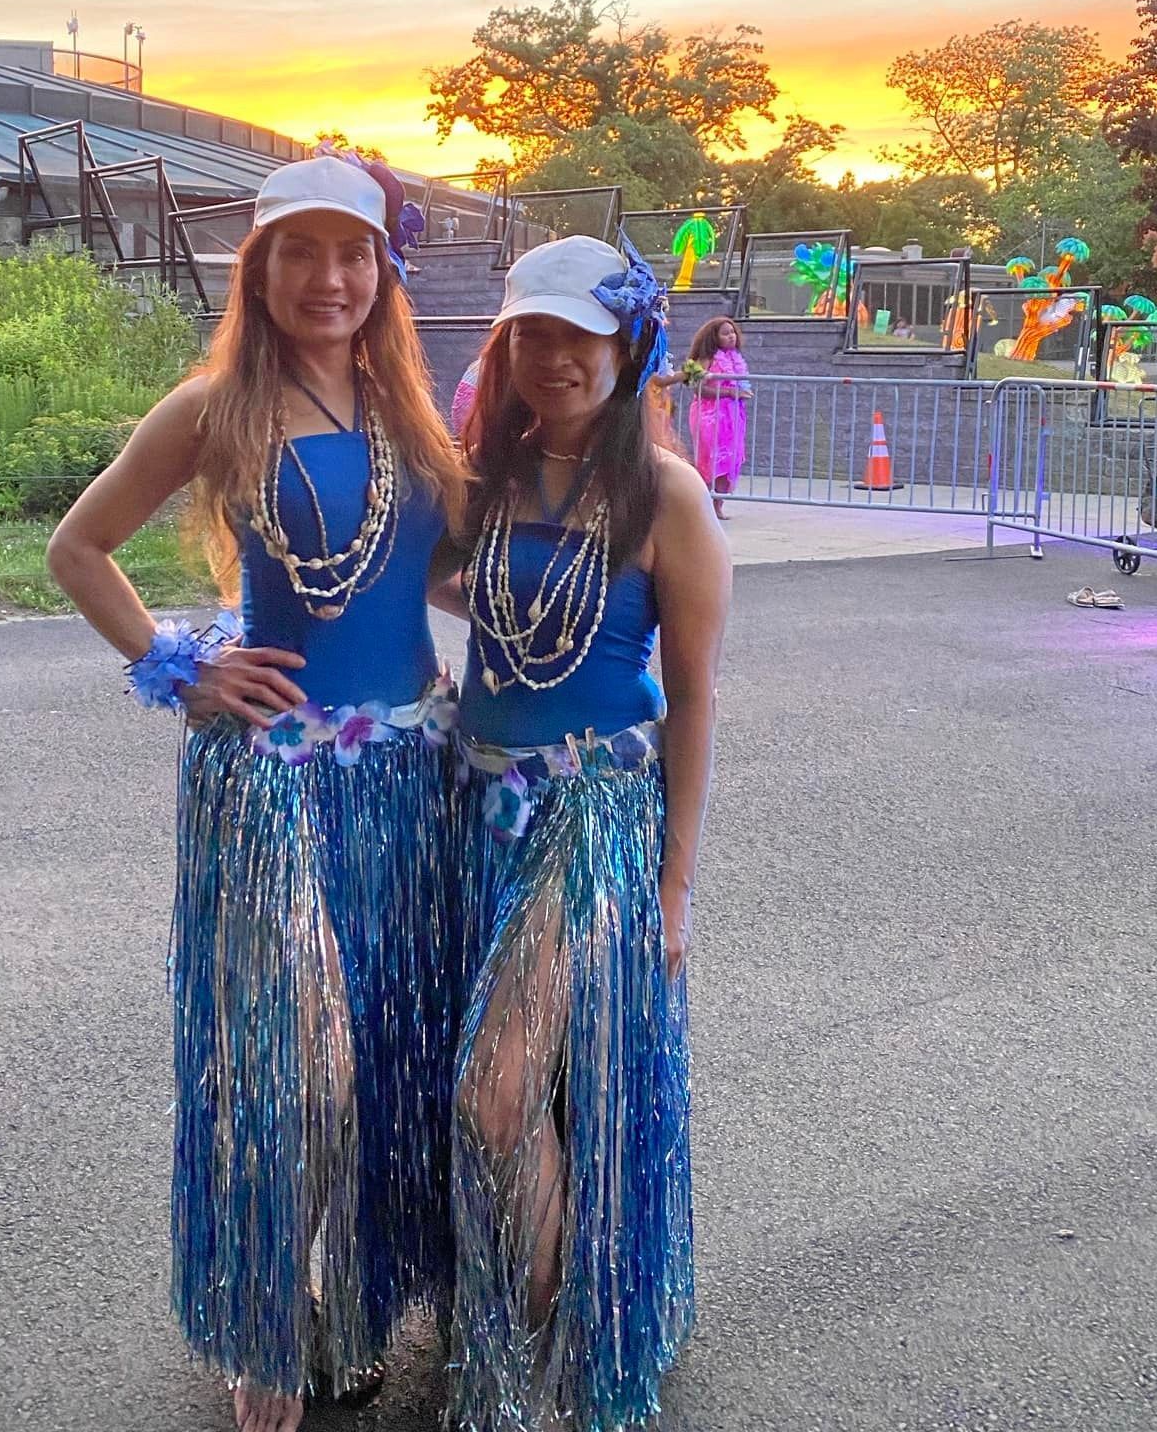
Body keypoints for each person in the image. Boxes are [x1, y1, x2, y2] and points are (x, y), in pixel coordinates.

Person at [47, 153, 464, 1432]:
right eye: (302, 253)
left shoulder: (406, 408)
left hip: (407, 773)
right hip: (273, 780)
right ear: (263, 267)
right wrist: (183, 669)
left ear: (381, 271)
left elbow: (431, 582)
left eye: (354, 254)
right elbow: (80, 546)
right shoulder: (215, 404)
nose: (328, 278)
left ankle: (352, 1294)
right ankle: (265, 1316)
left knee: (392, 1057)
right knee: (299, 1065)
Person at [446, 234, 731, 1432]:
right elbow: (454, 589)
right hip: (475, 811)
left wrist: (671, 888)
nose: (554, 357)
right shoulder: (487, 476)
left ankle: (556, 1319)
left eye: (579, 334)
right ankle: (540, 1301)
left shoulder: (665, 491)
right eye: (531, 334)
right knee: (536, 1088)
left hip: (593, 821)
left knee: (496, 1095)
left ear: (631, 343)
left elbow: (698, 693)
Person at [681, 314, 751, 519]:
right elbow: (698, 388)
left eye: (733, 333)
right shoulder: (706, 359)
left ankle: (718, 505)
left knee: (731, 458)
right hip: (708, 415)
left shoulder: (735, 359)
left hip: (732, 415)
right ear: (714, 337)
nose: (731, 337)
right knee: (710, 459)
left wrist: (741, 394)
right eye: (725, 333)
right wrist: (729, 393)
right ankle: (703, 505)